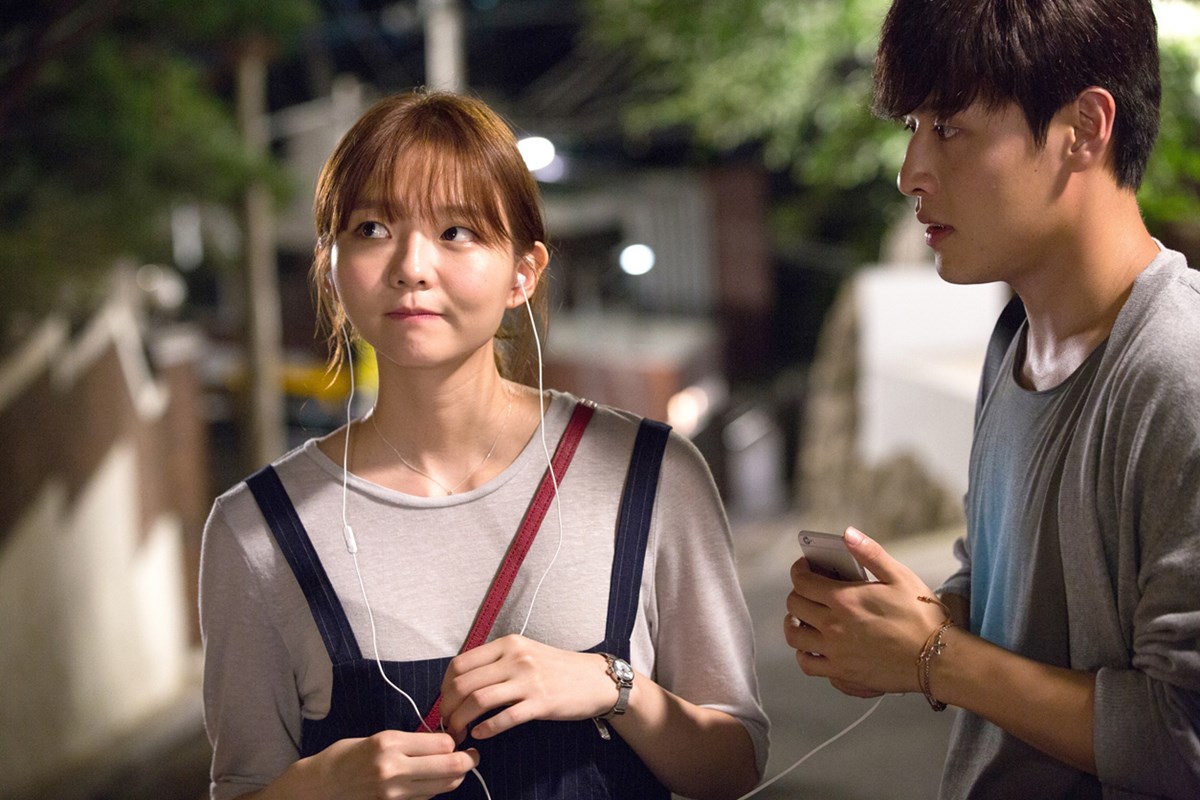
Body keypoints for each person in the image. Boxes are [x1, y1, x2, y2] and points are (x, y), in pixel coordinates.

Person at [200, 90, 767, 800]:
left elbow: (735, 762)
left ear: (523, 273)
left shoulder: (650, 474)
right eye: (372, 227)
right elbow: (241, 785)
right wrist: (320, 786)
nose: (412, 265)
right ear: (332, 266)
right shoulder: (256, 531)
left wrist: (614, 685)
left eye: (457, 231)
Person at [783, 0, 1200, 797]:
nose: (910, 172)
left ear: (1084, 129)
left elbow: (1182, 736)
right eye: (914, 126)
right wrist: (901, 625)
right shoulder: (1014, 343)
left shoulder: (1180, 374)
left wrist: (936, 657)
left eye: (949, 127)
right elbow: (1012, 611)